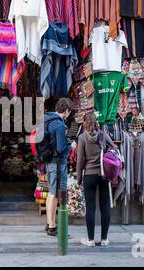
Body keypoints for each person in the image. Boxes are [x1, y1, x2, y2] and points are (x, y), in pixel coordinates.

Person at [76, 112, 116, 247]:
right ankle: (104, 239)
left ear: (84, 123)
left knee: (90, 208)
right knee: (105, 207)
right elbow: (115, 148)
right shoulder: (103, 135)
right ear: (96, 122)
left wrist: (79, 178)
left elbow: (80, 160)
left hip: (89, 175)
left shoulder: (82, 138)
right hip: (104, 175)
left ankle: (90, 239)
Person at [44, 98, 73, 237]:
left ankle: (49, 223)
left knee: (51, 192)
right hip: (57, 162)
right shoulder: (60, 126)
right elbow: (61, 148)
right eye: (69, 112)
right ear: (66, 111)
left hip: (49, 162)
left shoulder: (47, 120)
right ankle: (52, 227)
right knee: (54, 194)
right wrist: (71, 146)